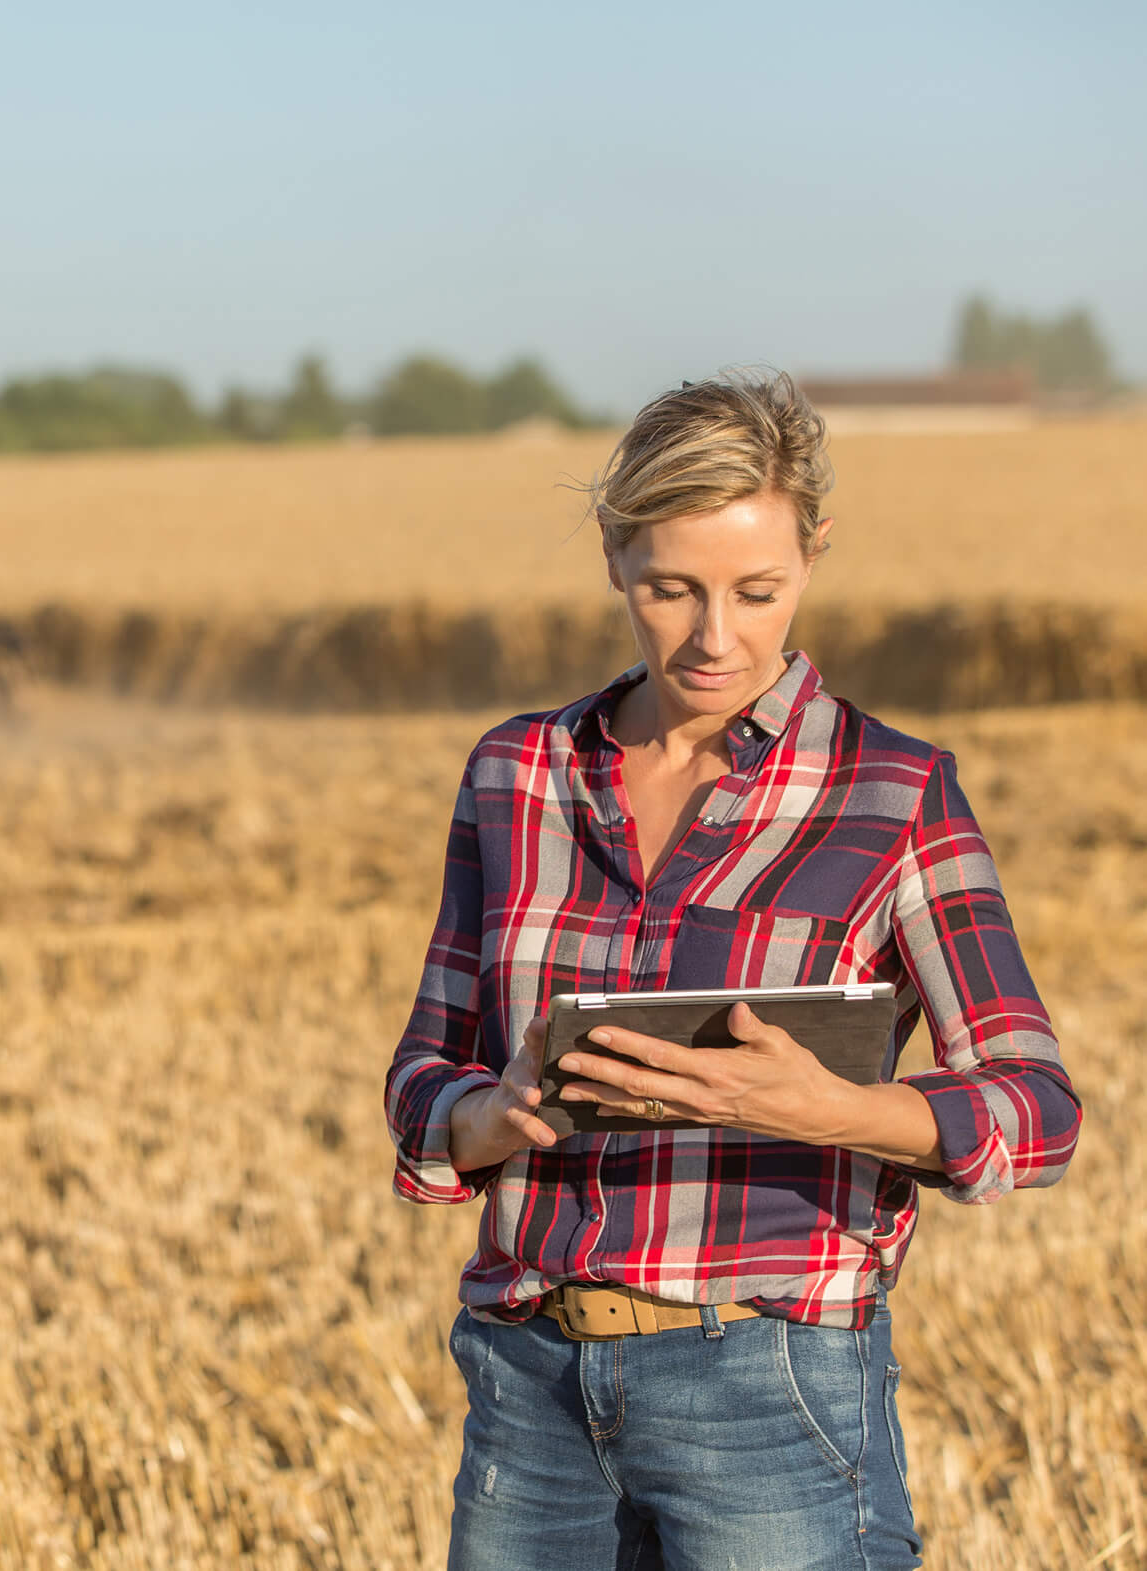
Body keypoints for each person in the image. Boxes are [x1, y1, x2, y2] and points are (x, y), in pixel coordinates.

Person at [383, 369, 1080, 1569]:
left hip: (767, 1383)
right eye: (671, 588)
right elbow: (420, 1078)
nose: (714, 637)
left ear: (811, 557)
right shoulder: (516, 773)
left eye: (756, 591)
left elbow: (1037, 1103)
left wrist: (836, 1110)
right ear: (613, 557)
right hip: (526, 1375)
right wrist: (484, 1116)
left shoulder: (895, 792)